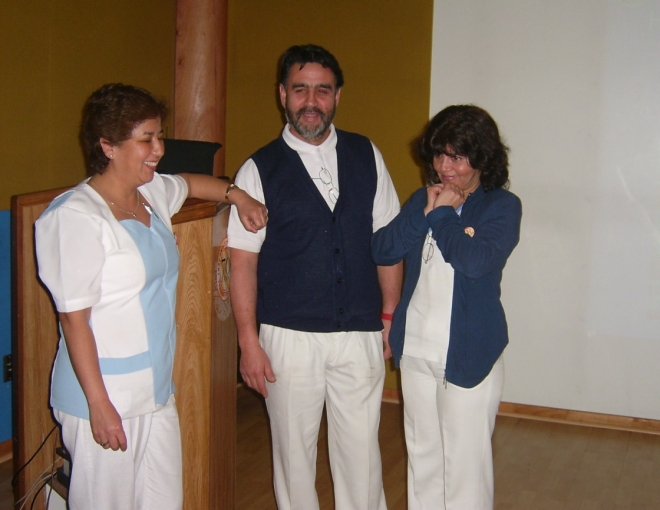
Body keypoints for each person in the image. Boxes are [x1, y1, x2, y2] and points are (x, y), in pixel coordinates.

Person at [35, 83, 267, 510]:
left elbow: (192, 182)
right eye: (147, 139)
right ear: (107, 146)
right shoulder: (75, 216)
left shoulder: (149, 194)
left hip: (155, 391)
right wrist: (99, 405)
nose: (159, 148)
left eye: (159, 136)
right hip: (103, 396)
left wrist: (239, 195)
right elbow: (73, 320)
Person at [228, 44, 402, 510]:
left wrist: (389, 314)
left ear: (337, 96)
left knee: (362, 456)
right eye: (300, 89)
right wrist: (248, 340)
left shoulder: (366, 154)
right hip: (288, 337)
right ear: (282, 94)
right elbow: (242, 263)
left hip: (360, 331)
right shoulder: (258, 169)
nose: (311, 101)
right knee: (293, 458)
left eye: (322, 90)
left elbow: (387, 243)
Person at [371, 105, 522, 509]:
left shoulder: (502, 206)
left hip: (469, 355)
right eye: (439, 155)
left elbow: (474, 262)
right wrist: (424, 213)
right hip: (416, 351)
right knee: (423, 463)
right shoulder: (424, 199)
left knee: (464, 473)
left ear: (483, 158)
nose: (444, 167)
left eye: (457, 157)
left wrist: (441, 216)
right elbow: (383, 249)